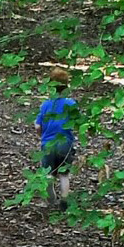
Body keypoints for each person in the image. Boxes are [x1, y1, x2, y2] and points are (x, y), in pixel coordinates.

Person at [35, 69, 78, 208]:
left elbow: (37, 126)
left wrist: (42, 136)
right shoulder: (71, 104)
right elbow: (78, 122)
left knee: (48, 173)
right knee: (64, 174)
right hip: (65, 143)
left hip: (48, 143)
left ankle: (50, 199)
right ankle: (64, 200)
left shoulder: (46, 105)